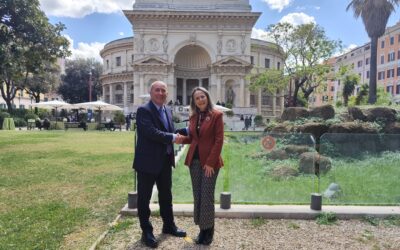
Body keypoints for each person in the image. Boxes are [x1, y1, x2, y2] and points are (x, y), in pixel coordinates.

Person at [133, 81, 186, 248]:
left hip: (165, 160)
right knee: (144, 198)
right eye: (157, 90)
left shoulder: (168, 110)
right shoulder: (144, 110)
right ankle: (146, 232)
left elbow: (171, 129)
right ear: (151, 92)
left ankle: (168, 225)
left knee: (166, 196)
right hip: (147, 162)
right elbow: (151, 132)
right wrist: (172, 137)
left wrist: (190, 131)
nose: (161, 93)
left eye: (164, 90)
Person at [178, 86, 224, 245]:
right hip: (195, 162)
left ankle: (209, 232)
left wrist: (211, 163)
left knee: (207, 197)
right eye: (197, 98)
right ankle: (202, 230)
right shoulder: (193, 117)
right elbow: (193, 138)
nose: (200, 100)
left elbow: (219, 141)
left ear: (207, 97)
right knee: (198, 196)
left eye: (202, 97)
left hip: (210, 163)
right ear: (194, 102)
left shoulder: (217, 115)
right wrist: (179, 139)